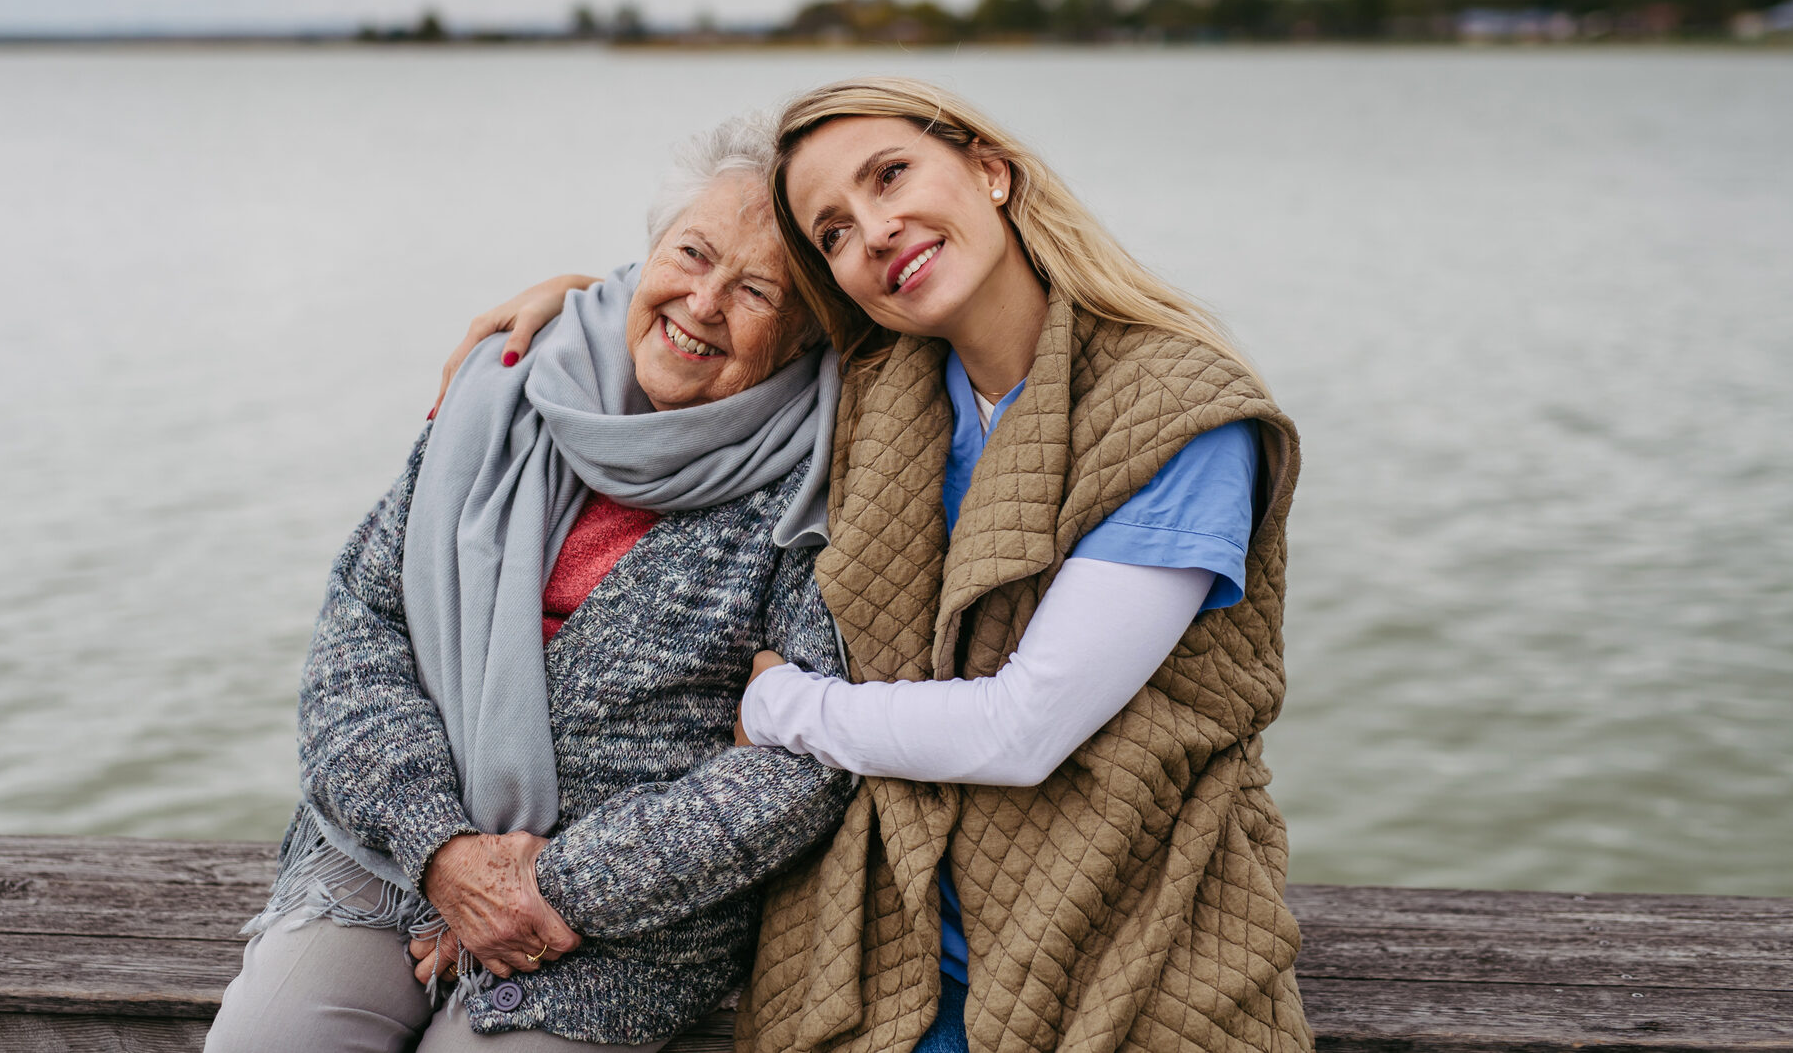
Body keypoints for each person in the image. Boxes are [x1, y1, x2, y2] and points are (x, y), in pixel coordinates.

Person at [445, 78, 1309, 1053]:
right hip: (884, 925)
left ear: (990, 169)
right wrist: (582, 306)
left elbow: (1024, 726)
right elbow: (714, 313)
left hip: (1109, 906)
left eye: (890, 175)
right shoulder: (885, 384)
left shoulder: (1177, 417)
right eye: (834, 231)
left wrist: (783, 708)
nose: (876, 230)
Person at [206, 117, 852, 1053]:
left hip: (625, 922)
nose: (703, 302)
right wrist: (443, 852)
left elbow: (799, 767)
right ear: (646, 254)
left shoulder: (826, 475)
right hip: (392, 856)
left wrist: (554, 885)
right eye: (690, 253)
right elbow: (360, 625)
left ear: (807, 336)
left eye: (755, 289)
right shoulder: (510, 382)